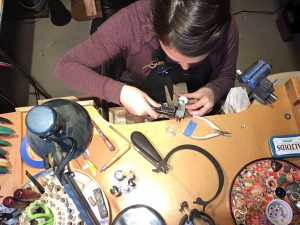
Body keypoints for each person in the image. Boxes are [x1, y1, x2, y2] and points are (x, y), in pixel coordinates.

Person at [56, 0, 239, 119]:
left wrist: (213, 90)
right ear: (156, 30)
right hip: (139, 91)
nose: (185, 68)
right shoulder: (132, 23)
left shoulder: (225, 29)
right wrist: (120, 92)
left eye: (194, 61)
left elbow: (227, 76)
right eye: (175, 57)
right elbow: (66, 68)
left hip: (193, 100)